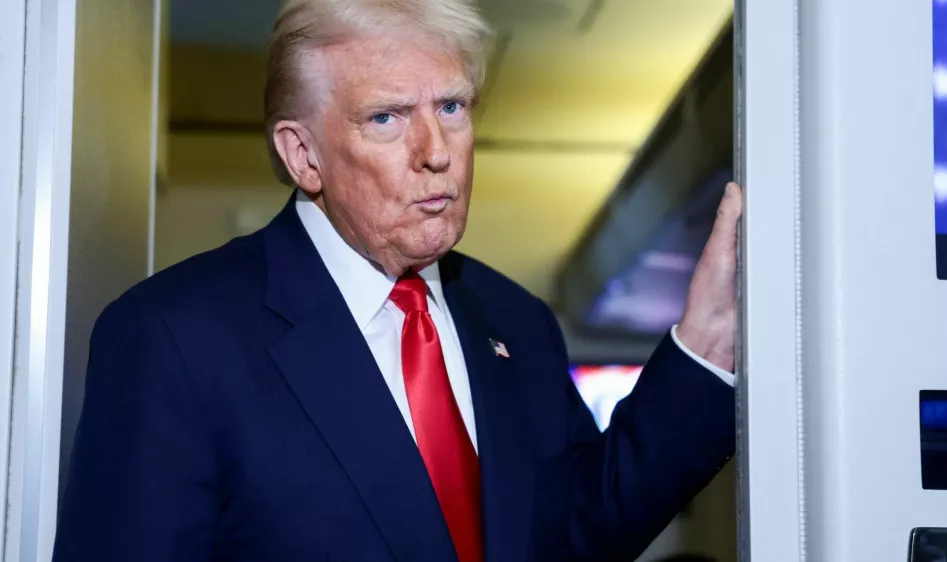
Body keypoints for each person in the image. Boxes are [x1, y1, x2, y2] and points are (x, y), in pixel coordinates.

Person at [53, 0, 742, 561]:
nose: (437, 153)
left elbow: (577, 532)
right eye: (386, 118)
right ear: (303, 154)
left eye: (452, 107)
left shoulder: (516, 323)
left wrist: (704, 346)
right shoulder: (175, 337)